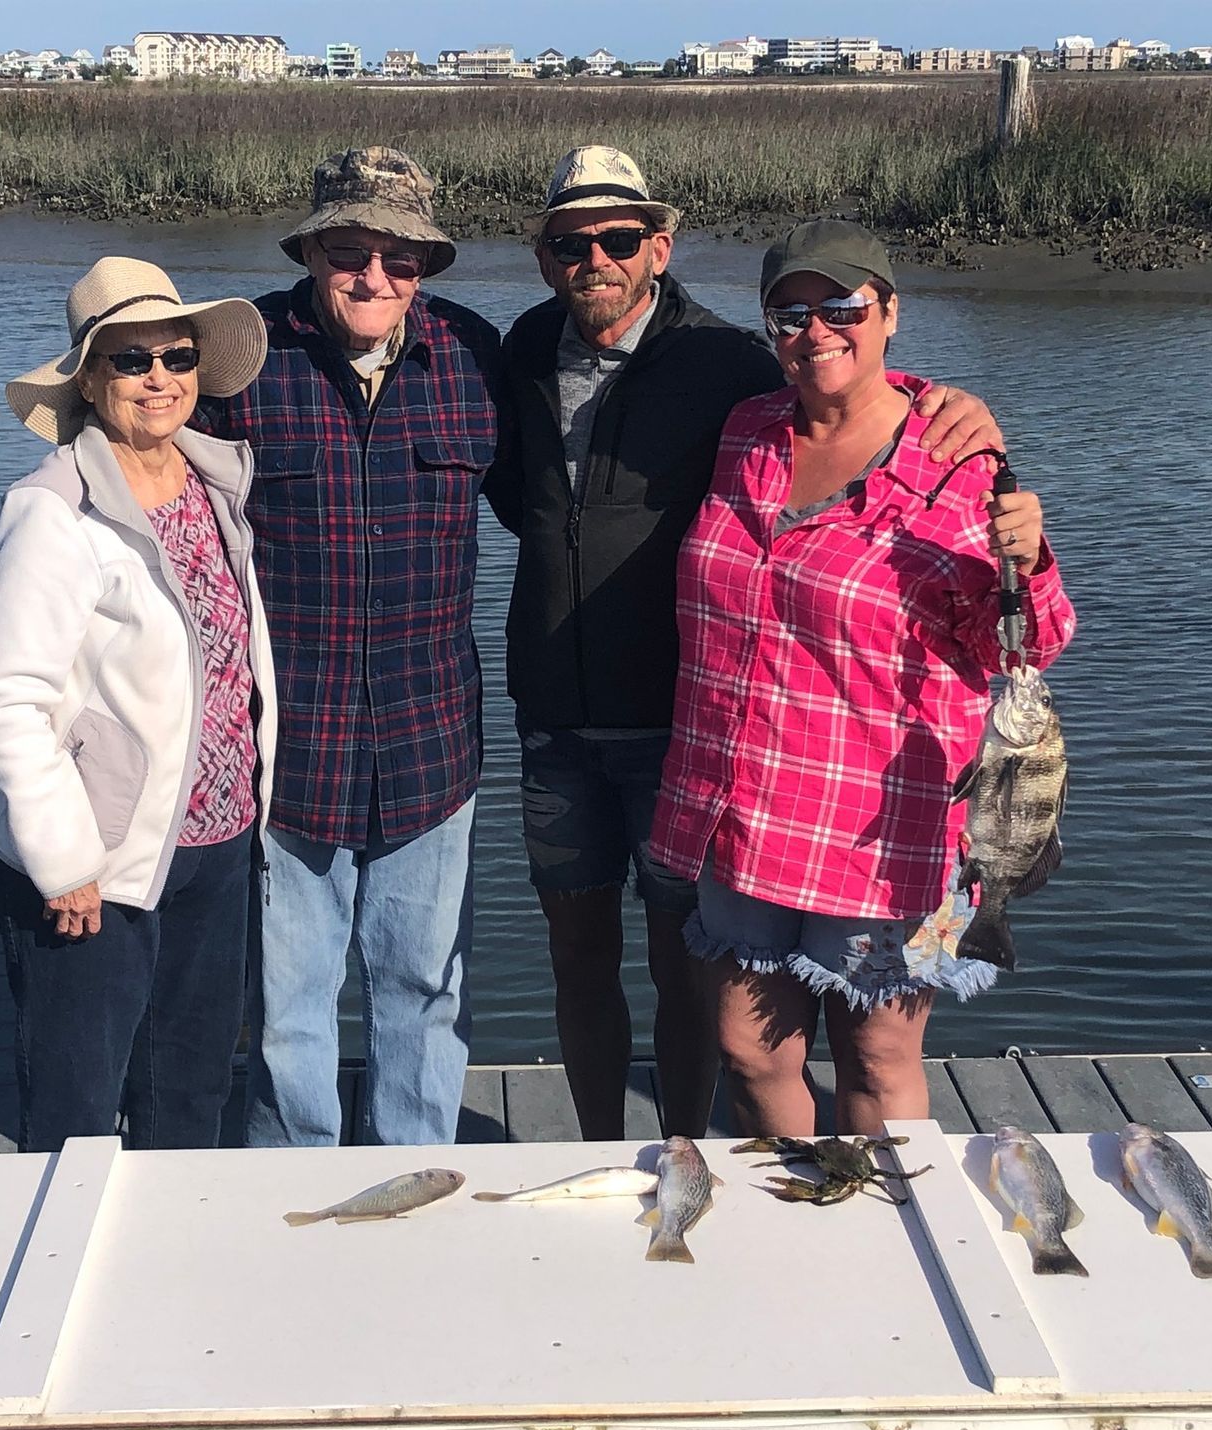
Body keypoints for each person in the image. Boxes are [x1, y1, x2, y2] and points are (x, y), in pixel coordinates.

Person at [486, 148, 1007, 1140]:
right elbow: (519, 498)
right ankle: (609, 1150)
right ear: (545, 256)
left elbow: (853, 399)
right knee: (580, 961)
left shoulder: (728, 365)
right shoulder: (519, 350)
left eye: (618, 238)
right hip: (554, 720)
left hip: (688, 735)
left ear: (659, 245)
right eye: (570, 242)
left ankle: (683, 1151)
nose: (594, 258)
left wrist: (962, 414)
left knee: (705, 987)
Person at [648, 220, 1077, 1137]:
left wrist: (1030, 556)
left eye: (843, 306)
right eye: (791, 313)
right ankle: (795, 1225)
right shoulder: (747, 430)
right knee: (748, 1047)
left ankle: (893, 1236)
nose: (817, 330)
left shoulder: (956, 459)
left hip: (884, 819)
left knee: (876, 1057)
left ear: (889, 314)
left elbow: (1031, 641)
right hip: (743, 800)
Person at [192, 147, 501, 1147]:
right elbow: (135, 466)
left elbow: (569, 493)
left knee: (423, 991)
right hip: (291, 754)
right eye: (349, 251)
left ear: (426, 268)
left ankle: (421, 1183)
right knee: (288, 1010)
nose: (374, 276)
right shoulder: (236, 360)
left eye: (399, 257)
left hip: (433, 743)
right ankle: (293, 1193)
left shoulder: (474, 356)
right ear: (311, 252)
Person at [0, 256, 277, 1152]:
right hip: (95, 860)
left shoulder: (215, 482)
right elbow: (5, 700)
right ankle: (60, 1277)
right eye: (133, 361)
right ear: (90, 380)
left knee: (193, 1085)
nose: (161, 379)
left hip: (213, 839)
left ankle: (170, 1275)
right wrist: (63, 861)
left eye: (177, 355)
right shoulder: (51, 509)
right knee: (76, 1107)